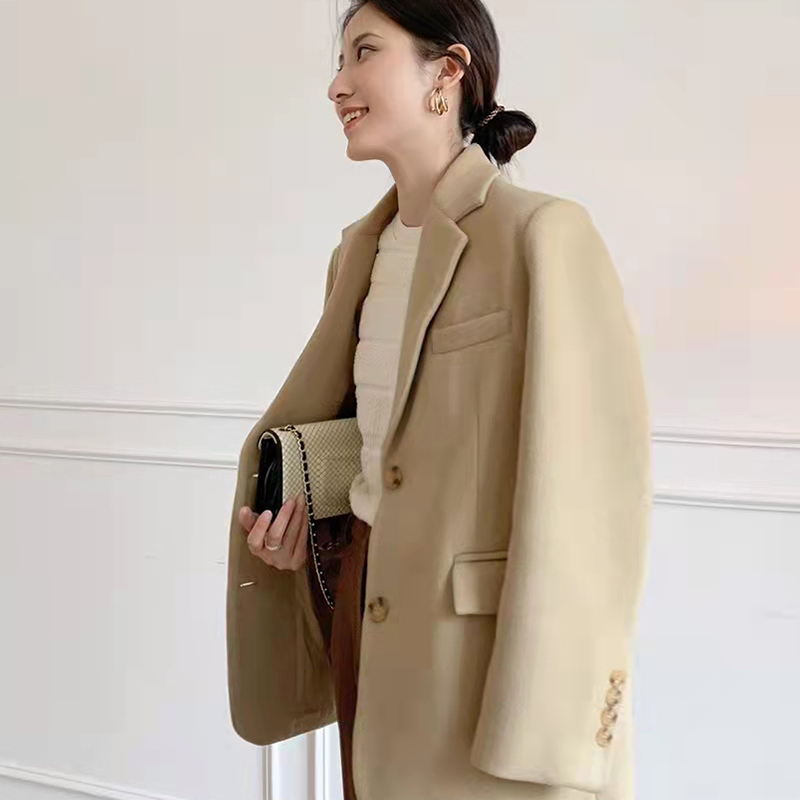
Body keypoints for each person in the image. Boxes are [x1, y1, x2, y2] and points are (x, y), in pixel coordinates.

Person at [227, 2, 651, 799]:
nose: (337, 84)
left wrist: (559, 723)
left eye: (364, 53)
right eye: (340, 61)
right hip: (363, 621)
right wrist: (305, 532)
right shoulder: (357, 254)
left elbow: (594, 499)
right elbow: (383, 450)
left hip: (483, 666)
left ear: (447, 72)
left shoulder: (541, 236)